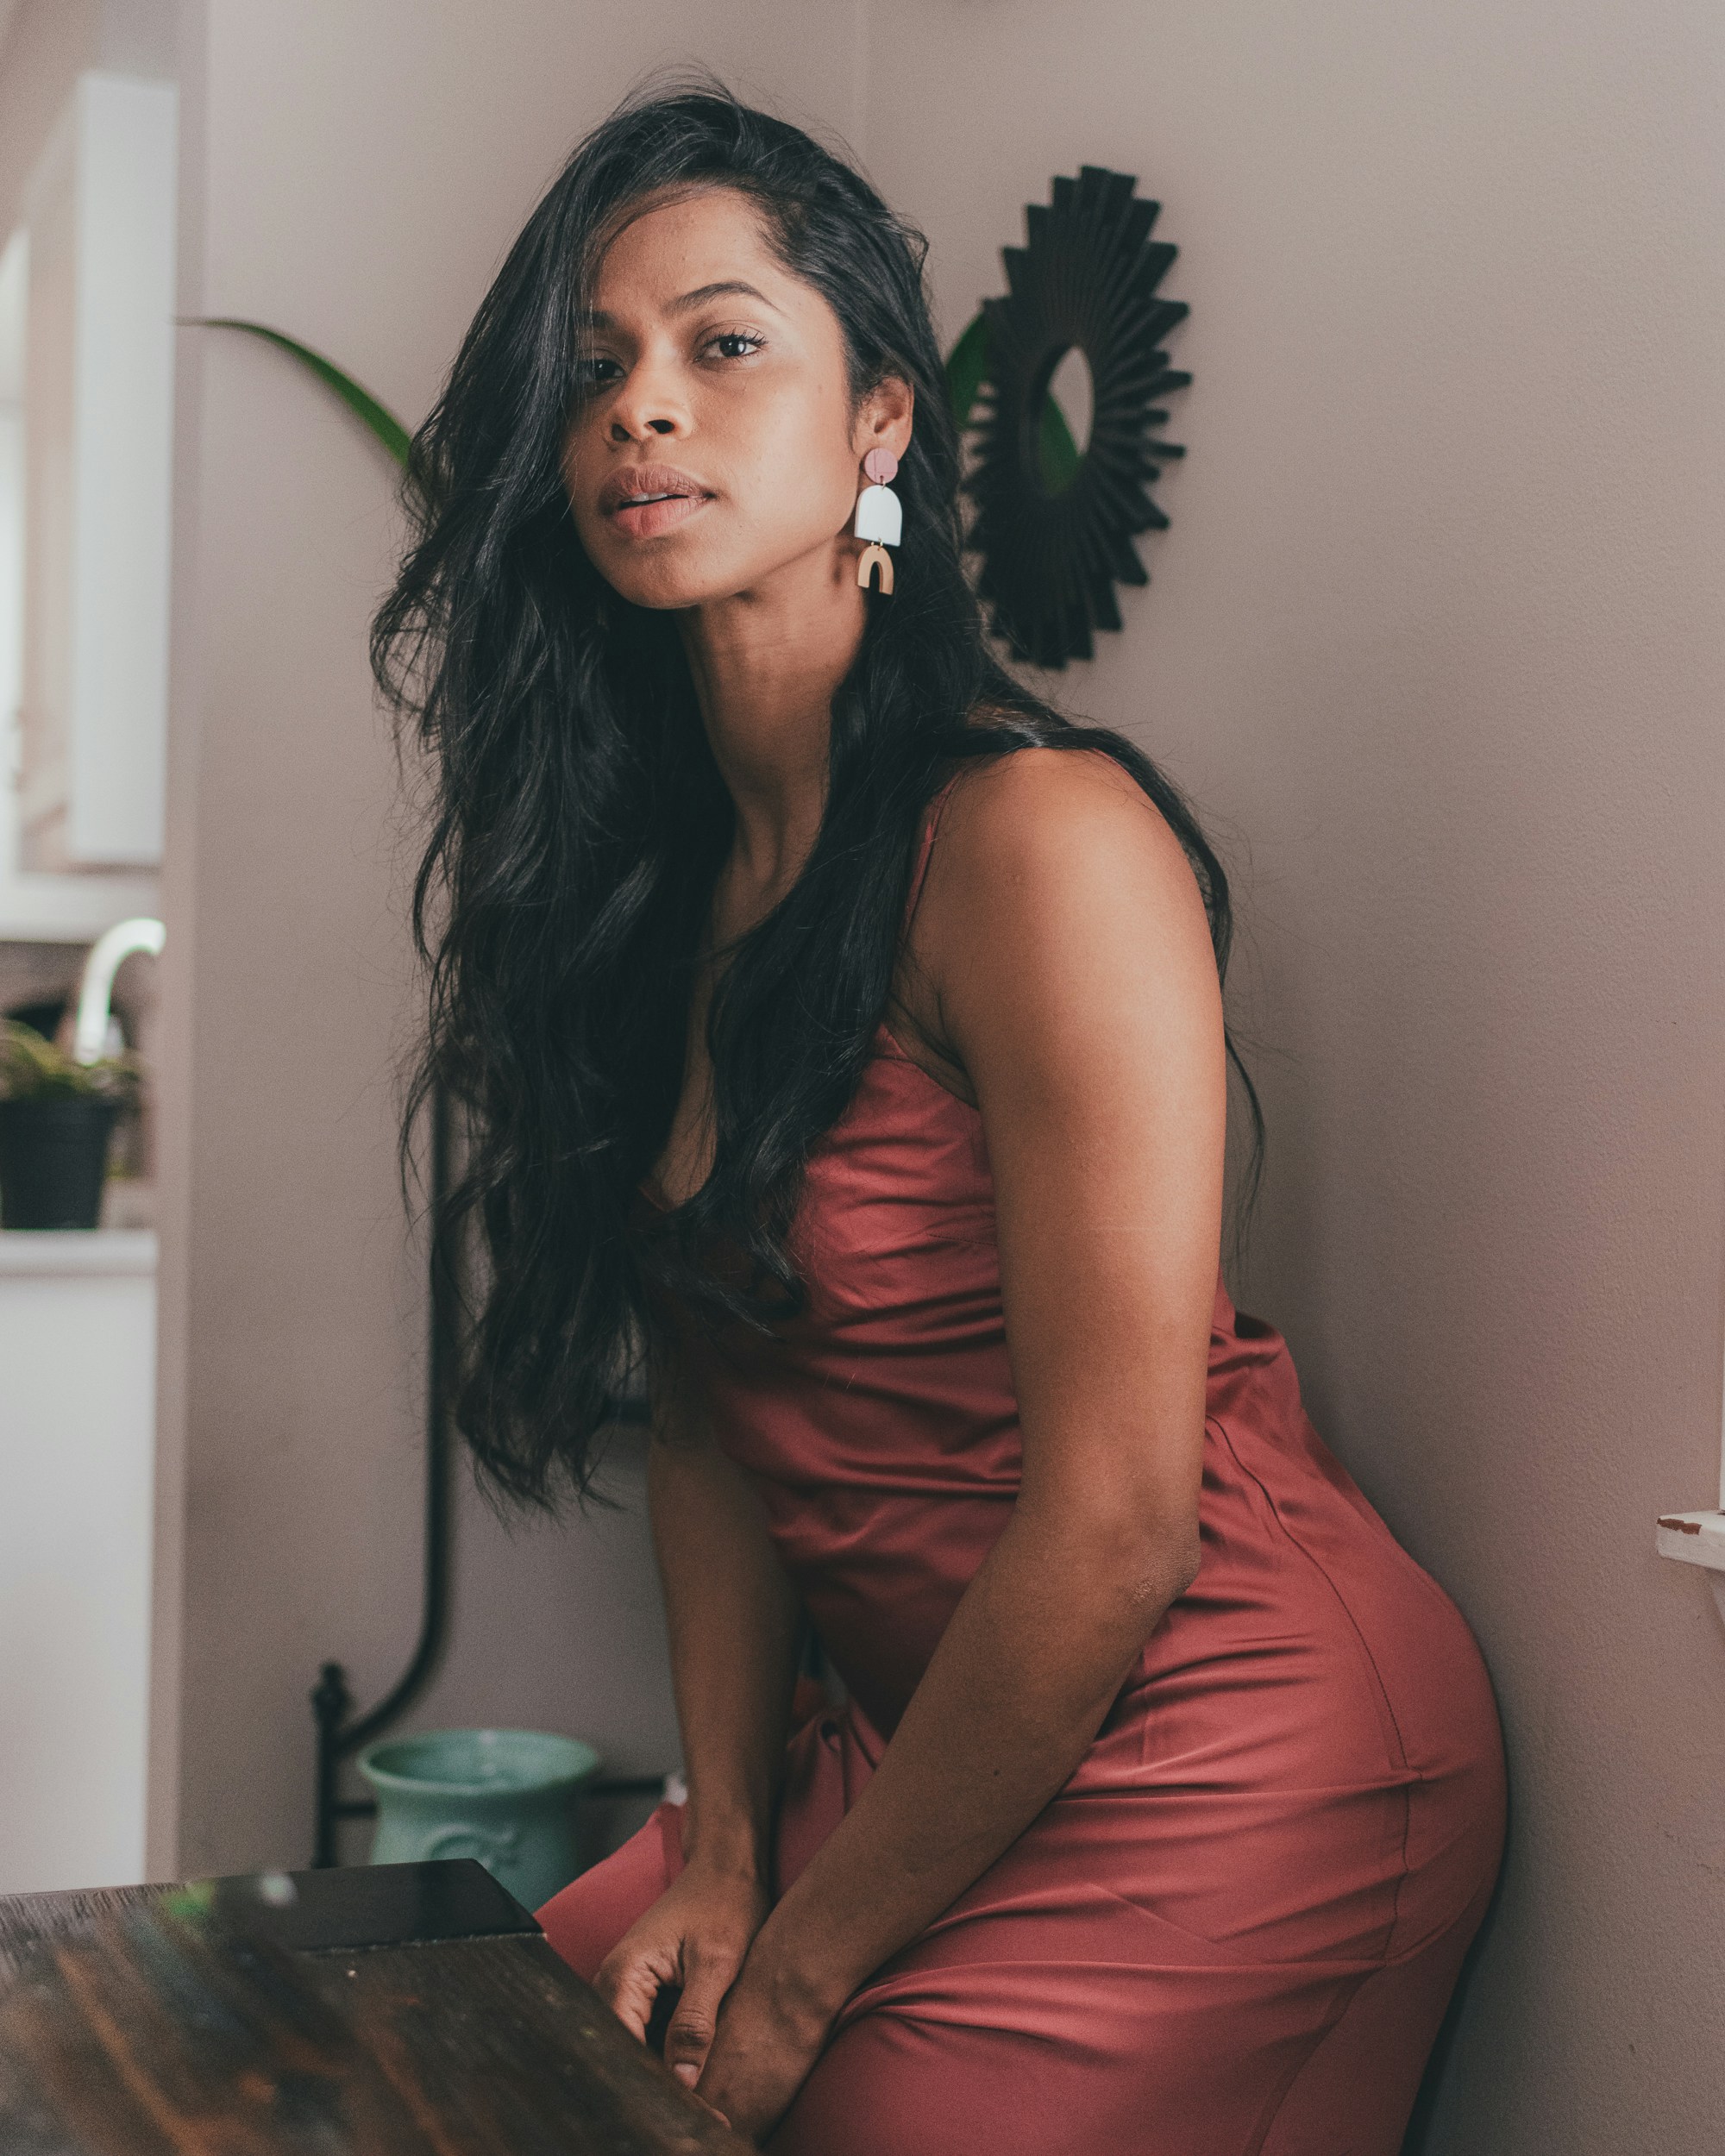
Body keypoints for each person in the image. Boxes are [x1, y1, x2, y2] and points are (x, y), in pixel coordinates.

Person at [374, 85, 1506, 2156]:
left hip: (1220, 1735)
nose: (644, 412)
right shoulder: (654, 887)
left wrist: (802, 1964)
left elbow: (1114, 1523)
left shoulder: (1038, 841)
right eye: (598, 367)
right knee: (485, 2081)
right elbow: (718, 1420)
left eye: (723, 346)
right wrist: (721, 1846)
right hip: (900, 1740)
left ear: (880, 426)